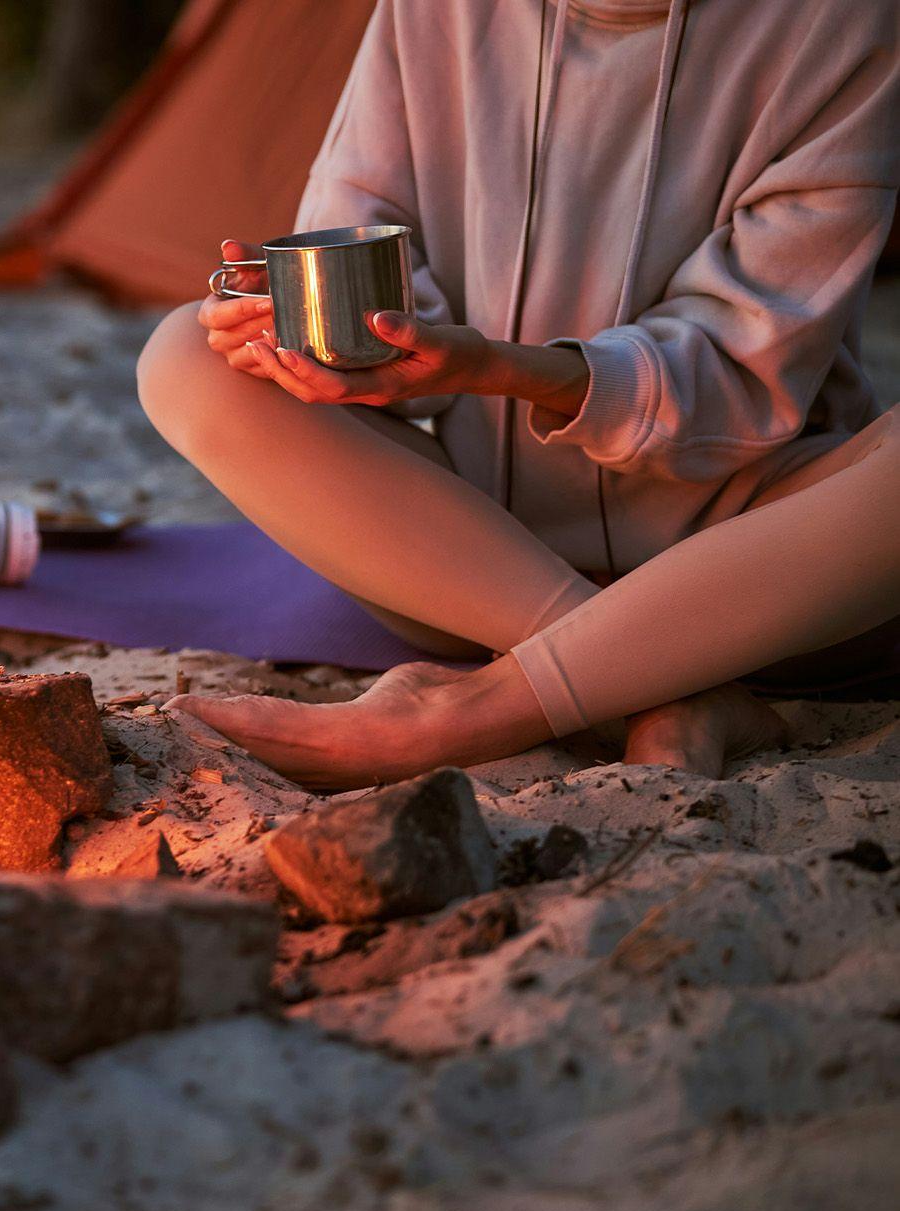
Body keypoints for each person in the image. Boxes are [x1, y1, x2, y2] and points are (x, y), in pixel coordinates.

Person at [135, 0, 900, 789]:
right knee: (185, 355)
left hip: (761, 573)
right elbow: (360, 230)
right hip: (479, 563)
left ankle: (471, 712)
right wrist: (321, 338)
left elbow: (744, 369)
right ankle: (664, 686)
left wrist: (498, 368)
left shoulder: (839, 22)